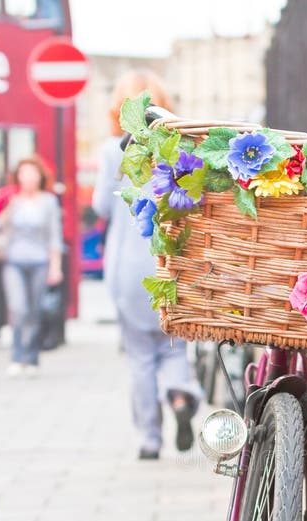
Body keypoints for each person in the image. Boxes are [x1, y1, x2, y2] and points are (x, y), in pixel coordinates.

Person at [93, 70, 201, 460]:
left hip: (128, 268)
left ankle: (149, 440)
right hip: (171, 262)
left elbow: (101, 207)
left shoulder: (112, 151)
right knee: (172, 348)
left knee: (139, 356)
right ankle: (179, 397)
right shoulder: (179, 149)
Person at [0, 157, 62, 376]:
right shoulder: (11, 199)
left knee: (35, 310)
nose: (27, 177)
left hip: (40, 261)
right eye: (23, 173)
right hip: (13, 260)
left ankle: (31, 357)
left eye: (31, 172)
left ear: (39, 176)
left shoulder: (48, 201)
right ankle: (17, 356)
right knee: (18, 309)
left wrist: (56, 266)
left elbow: (55, 235)